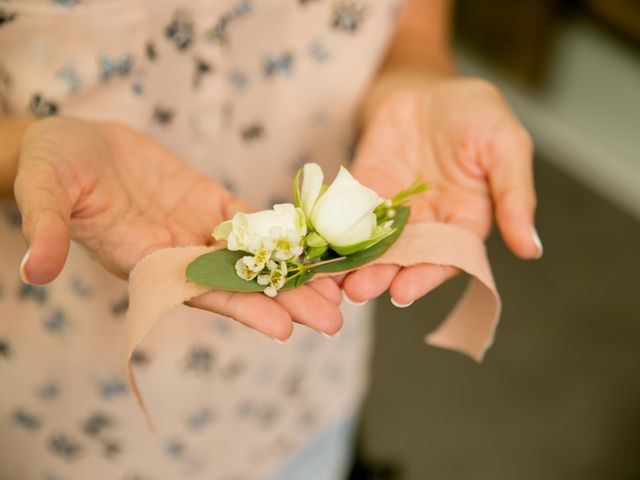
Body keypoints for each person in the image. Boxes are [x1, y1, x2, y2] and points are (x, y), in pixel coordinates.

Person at [0, 0, 541, 479]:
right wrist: (24, 151)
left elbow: (413, 33)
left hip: (299, 372)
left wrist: (422, 81)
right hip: (63, 396)